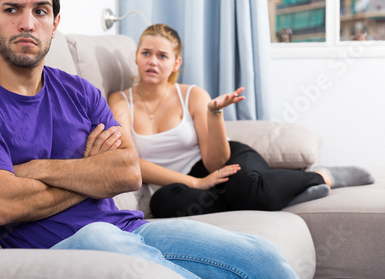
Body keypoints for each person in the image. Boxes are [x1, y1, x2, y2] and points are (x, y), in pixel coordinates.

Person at [0, 0, 300, 278]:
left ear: (55, 22)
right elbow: (3, 206)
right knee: (100, 239)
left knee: (260, 256)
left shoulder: (80, 91)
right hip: (53, 251)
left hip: (127, 230)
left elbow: (128, 173)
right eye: (12, 10)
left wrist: (37, 168)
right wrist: (91, 171)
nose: (27, 23)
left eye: (40, 11)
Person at [108, 23, 375, 219]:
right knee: (163, 204)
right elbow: (130, 159)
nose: (152, 61)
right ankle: (284, 194)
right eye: (146, 53)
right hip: (178, 184)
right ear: (136, 56)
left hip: (226, 159)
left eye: (162, 56)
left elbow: (215, 163)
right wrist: (195, 183)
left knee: (246, 187)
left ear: (176, 63)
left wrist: (215, 115)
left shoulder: (192, 95)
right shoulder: (120, 101)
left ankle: (322, 175)